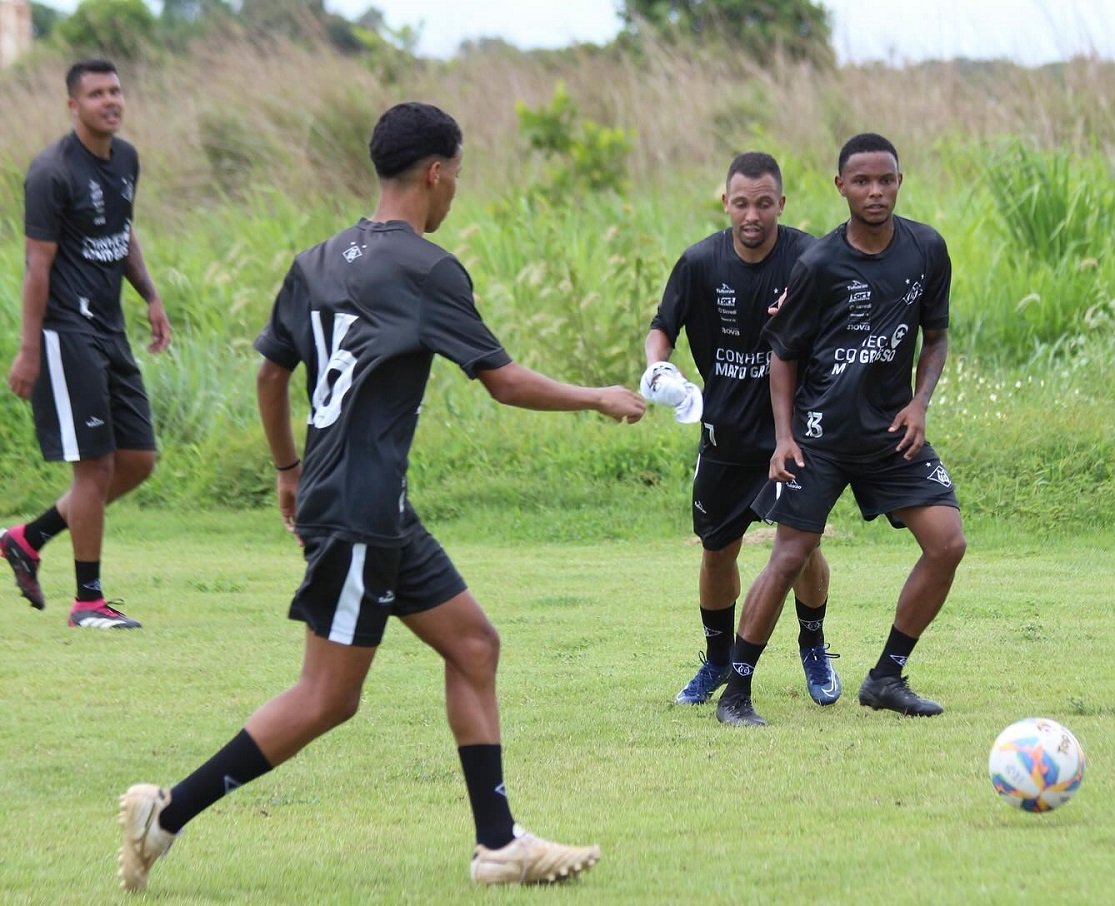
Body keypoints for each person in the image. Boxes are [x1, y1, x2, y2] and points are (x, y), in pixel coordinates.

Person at [117, 101, 644, 892]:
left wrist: (287, 470)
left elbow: (270, 373)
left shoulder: (318, 260)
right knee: (327, 696)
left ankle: (499, 845)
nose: (455, 190)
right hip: (360, 509)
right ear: (436, 173)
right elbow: (501, 383)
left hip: (365, 502)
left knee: (474, 647)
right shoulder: (427, 268)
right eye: (456, 176)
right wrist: (597, 396)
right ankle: (165, 814)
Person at [714, 133, 966, 727]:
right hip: (820, 436)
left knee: (947, 543)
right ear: (841, 187)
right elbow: (783, 354)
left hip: (891, 435)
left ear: (900, 182)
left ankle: (885, 677)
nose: (875, 191)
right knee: (790, 555)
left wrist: (920, 403)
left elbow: (936, 338)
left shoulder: (927, 248)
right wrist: (783, 437)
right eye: (862, 181)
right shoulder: (819, 264)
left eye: (885, 180)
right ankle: (737, 693)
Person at [643, 152, 838, 709]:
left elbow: (843, 326)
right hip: (724, 436)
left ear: (782, 203)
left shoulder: (810, 258)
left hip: (792, 435)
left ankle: (814, 648)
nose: (752, 215)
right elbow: (662, 329)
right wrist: (658, 367)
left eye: (764, 203)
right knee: (716, 553)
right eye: (741, 203)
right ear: (726, 202)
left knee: (800, 549)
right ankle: (716, 661)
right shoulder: (700, 263)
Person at [2, 59, 171, 630]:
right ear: (73, 106)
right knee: (94, 467)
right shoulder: (50, 172)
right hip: (63, 332)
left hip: (109, 327)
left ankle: (29, 538)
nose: (110, 101)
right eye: (96, 94)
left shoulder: (126, 159)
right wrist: (28, 351)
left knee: (138, 459)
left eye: (116, 90)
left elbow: (122, 234)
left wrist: (148, 294)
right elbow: (36, 267)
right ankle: (89, 603)